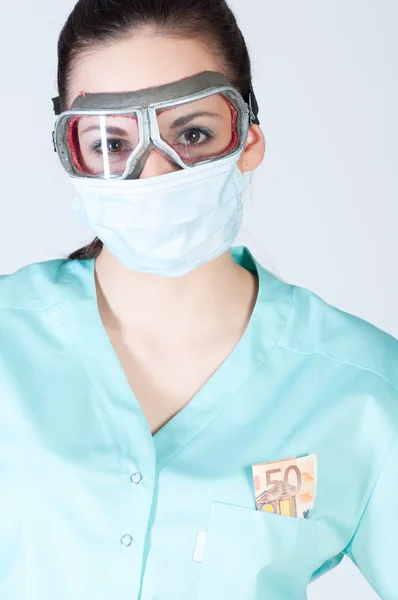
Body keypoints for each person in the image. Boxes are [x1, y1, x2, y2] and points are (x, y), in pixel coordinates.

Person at [0, 0, 397, 598]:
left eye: (192, 133)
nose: (155, 174)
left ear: (249, 140)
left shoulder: (361, 388)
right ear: (71, 157)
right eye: (111, 142)